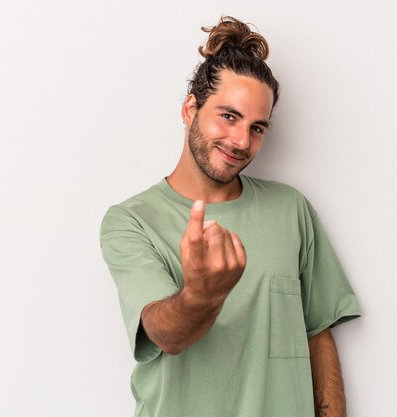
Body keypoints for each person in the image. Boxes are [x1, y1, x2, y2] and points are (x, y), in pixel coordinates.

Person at [100, 16, 360, 417]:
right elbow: (163, 333)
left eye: (258, 127)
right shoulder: (132, 221)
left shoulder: (291, 209)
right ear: (191, 109)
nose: (242, 141)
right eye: (229, 116)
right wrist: (201, 294)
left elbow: (317, 334)